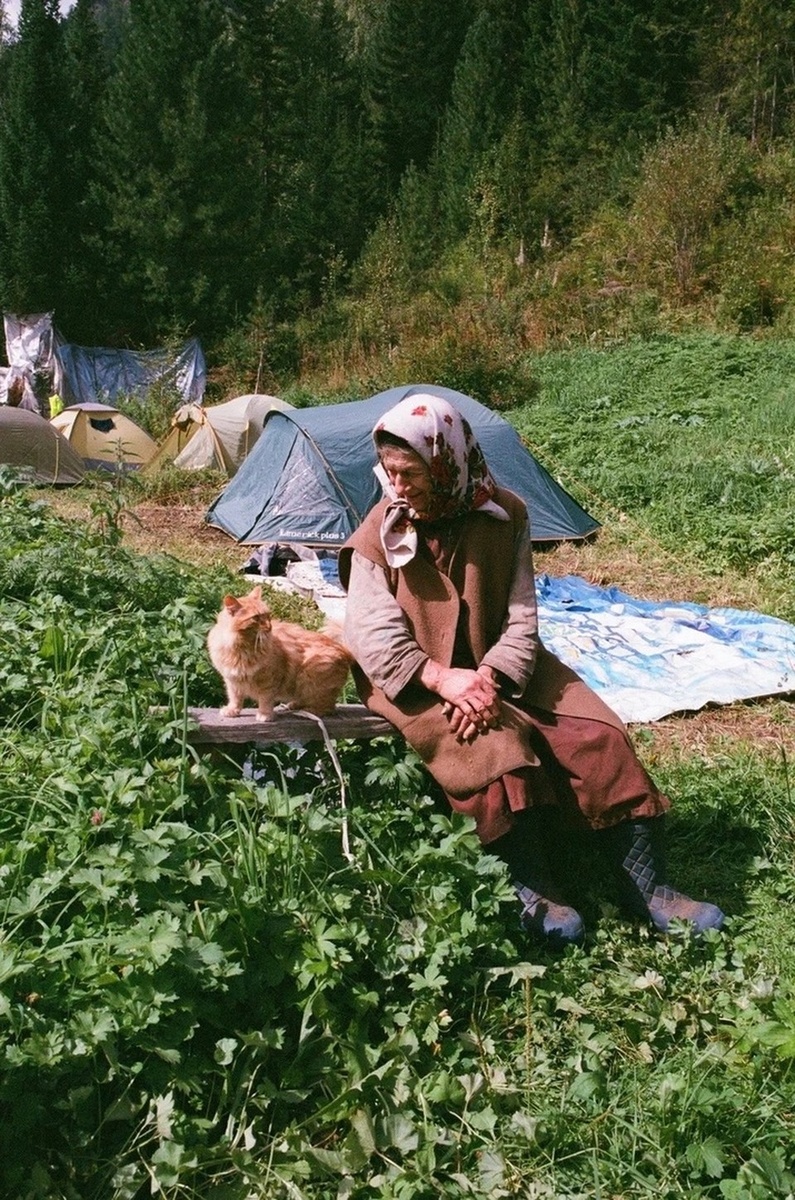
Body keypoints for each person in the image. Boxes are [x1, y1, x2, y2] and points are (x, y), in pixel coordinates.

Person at [338, 393, 724, 948]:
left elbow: (522, 618)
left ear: (447, 461)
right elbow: (372, 636)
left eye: (411, 472)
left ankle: (648, 888)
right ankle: (533, 889)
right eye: (389, 472)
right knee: (495, 751)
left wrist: (488, 677)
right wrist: (445, 679)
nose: (398, 487)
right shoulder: (381, 530)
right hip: (415, 679)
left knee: (597, 735)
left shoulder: (507, 515)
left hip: (498, 667)